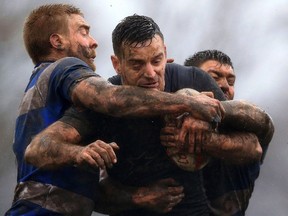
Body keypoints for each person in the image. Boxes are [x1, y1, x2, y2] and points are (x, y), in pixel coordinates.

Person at [23, 15, 273, 216]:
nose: (151, 73)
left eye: (157, 60)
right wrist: (138, 196)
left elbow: (253, 148)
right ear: (117, 64)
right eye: (137, 64)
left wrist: (207, 139)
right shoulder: (104, 103)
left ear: (165, 52)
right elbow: (38, 149)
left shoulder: (192, 80)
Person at [183, 49, 274, 215]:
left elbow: (263, 125)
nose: (225, 85)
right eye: (214, 77)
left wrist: (205, 136)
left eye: (231, 81)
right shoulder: (166, 117)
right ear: (189, 81)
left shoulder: (246, 127)